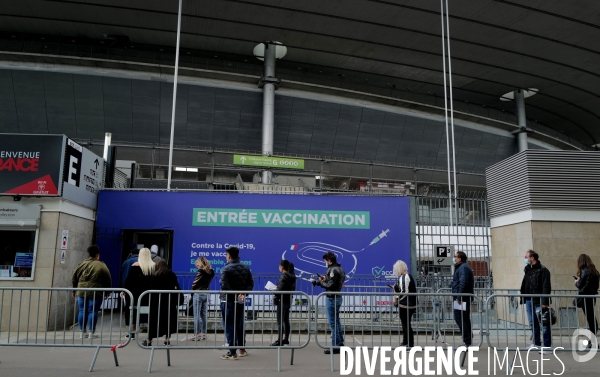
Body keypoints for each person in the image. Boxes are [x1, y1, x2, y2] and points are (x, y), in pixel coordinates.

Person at [219, 246, 254, 360]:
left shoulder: (226, 269)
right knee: (239, 324)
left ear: (229, 255)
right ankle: (242, 349)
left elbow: (224, 285)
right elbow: (250, 283)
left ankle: (232, 352)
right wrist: (242, 294)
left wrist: (235, 294)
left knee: (229, 326)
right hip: (239, 300)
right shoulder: (245, 267)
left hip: (228, 300)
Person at [71, 245, 112, 339]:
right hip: (95, 292)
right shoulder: (101, 265)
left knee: (82, 310)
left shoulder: (81, 264)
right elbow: (107, 278)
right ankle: (91, 332)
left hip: (81, 291)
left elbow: (74, 277)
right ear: (97, 255)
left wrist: (74, 290)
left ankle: (82, 332)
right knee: (93, 311)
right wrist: (108, 290)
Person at [519, 249, 552, 353]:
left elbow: (546, 287)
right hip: (529, 299)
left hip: (539, 301)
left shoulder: (543, 270)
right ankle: (536, 343)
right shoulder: (528, 269)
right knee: (533, 323)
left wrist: (544, 302)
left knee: (544, 323)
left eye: (526, 257)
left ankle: (547, 346)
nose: (525, 259)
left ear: (532, 258)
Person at [312, 251, 345, 354]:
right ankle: (340, 343)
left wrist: (320, 283)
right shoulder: (339, 268)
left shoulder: (333, 270)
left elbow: (331, 285)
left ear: (329, 261)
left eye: (325, 261)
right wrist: (323, 280)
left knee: (333, 323)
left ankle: (335, 346)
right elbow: (332, 281)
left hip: (332, 298)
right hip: (338, 297)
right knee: (337, 321)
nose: (325, 263)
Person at [145, 259, 181, 346]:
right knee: (169, 321)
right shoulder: (171, 274)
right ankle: (167, 340)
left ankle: (149, 340)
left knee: (154, 321)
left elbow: (151, 287)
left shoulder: (155, 275)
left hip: (157, 302)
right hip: (169, 301)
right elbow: (176, 286)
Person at [124, 248, 155, 339]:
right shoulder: (154, 266)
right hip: (150, 294)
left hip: (135, 294)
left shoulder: (135, 266)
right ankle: (151, 333)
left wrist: (124, 290)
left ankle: (132, 332)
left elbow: (129, 281)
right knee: (151, 312)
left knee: (133, 312)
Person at [188, 257, 215, 341]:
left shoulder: (201, 272)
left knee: (197, 314)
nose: (196, 265)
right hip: (206, 293)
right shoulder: (211, 272)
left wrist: (193, 290)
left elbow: (195, 283)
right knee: (203, 314)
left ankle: (196, 334)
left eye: (198, 263)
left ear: (201, 263)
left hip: (198, 293)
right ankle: (203, 333)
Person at [271, 260, 296, 347]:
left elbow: (279, 290)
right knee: (286, 320)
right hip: (288, 299)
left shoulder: (284, 276)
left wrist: (272, 290)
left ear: (282, 266)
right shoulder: (292, 276)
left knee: (280, 321)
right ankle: (285, 339)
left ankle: (280, 340)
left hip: (282, 300)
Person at [575, 254, 599, 345]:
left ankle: (593, 341)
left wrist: (577, 282)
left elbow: (580, 285)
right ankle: (593, 340)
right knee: (592, 318)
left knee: (591, 319)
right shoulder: (595, 271)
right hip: (592, 297)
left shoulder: (584, 271)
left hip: (585, 297)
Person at [451, 251, 474, 347]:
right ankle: (468, 338)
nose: (454, 258)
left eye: (455, 256)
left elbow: (463, 283)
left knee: (460, 318)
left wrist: (459, 296)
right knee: (464, 318)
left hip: (462, 298)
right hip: (463, 296)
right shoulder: (463, 267)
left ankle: (467, 340)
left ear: (459, 259)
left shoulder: (463, 268)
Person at [392, 260, 417, 347]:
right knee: (405, 324)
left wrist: (397, 300)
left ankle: (409, 343)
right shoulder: (408, 276)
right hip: (410, 304)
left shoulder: (404, 277)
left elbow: (404, 292)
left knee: (406, 324)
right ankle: (406, 342)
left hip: (406, 304)